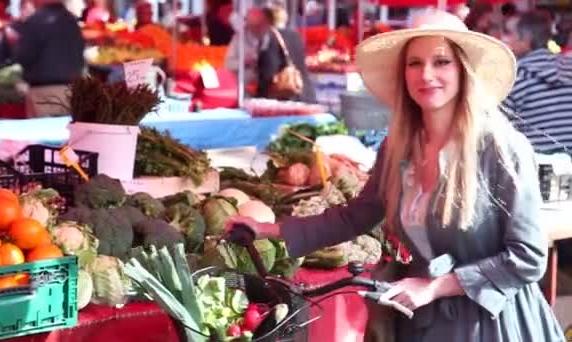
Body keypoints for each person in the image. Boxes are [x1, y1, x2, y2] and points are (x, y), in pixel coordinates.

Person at [227, 9, 565, 342]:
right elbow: (355, 216)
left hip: (493, 323)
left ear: (464, 69)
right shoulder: (400, 145)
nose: (426, 74)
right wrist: (268, 230)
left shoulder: (501, 147)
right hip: (424, 322)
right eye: (414, 63)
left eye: (441, 61)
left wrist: (435, 286)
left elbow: (528, 258)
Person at [501, 10, 572, 154]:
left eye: (508, 33)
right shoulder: (567, 68)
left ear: (526, 40)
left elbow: (497, 126)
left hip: (538, 166)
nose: (503, 38)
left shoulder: (516, 78)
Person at [5, 0, 84, 117]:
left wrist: (14, 45)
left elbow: (24, 57)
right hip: (70, 90)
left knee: (44, 132)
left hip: (43, 92)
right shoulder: (72, 21)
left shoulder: (34, 22)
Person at [256, 5, 316, 103]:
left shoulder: (269, 37)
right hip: (302, 90)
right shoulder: (296, 35)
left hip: (284, 94)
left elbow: (269, 67)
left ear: (267, 19)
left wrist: (261, 91)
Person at [224, 8, 269, 93]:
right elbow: (228, 64)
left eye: (260, 25)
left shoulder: (270, 38)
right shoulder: (238, 40)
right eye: (255, 26)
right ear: (248, 25)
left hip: (267, 86)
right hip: (245, 88)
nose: (258, 29)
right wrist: (244, 62)